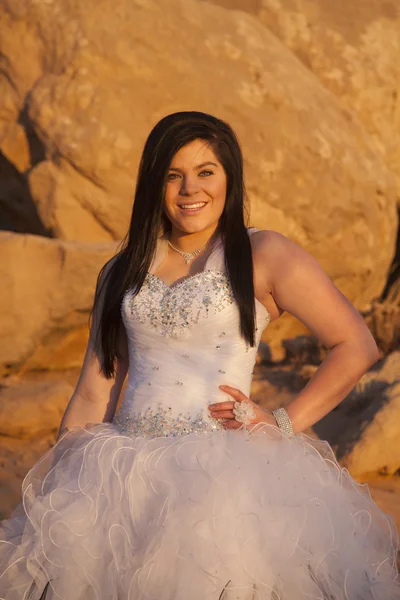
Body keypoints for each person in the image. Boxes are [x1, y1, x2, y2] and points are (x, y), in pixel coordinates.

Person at [0, 111, 399, 600]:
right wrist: (59, 492)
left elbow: (355, 345)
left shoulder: (264, 253)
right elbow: (92, 390)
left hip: (226, 479)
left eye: (206, 172)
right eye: (174, 175)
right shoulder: (122, 269)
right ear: (155, 183)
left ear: (229, 176)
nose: (190, 189)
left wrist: (284, 422)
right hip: (120, 475)